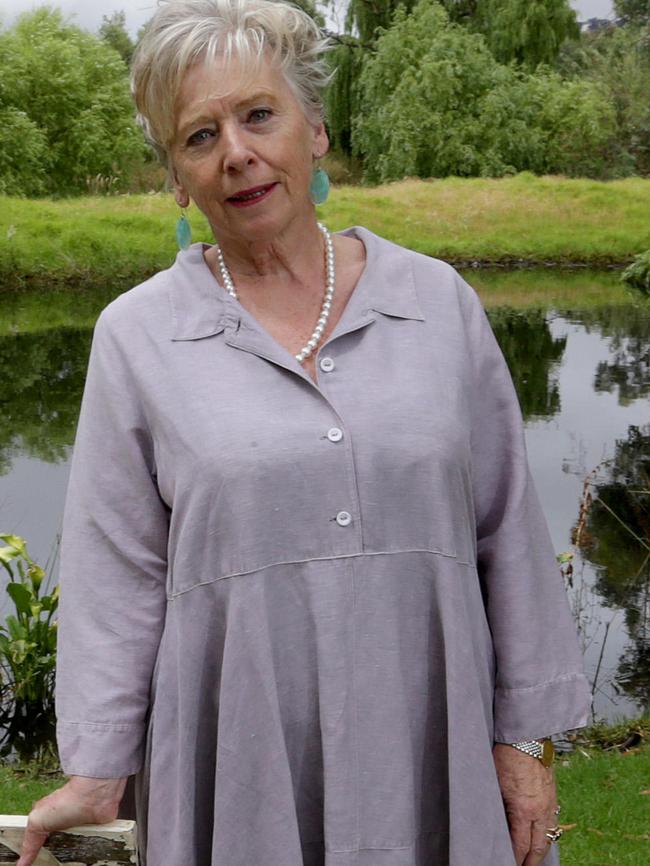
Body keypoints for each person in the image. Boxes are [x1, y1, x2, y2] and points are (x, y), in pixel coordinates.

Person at [18, 2, 590, 865]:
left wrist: (527, 744)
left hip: (439, 748)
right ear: (176, 177)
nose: (237, 152)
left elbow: (507, 535)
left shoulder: (437, 304)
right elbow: (116, 573)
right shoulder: (136, 337)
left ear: (314, 130)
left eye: (258, 115)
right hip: (238, 757)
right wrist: (98, 771)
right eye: (198, 136)